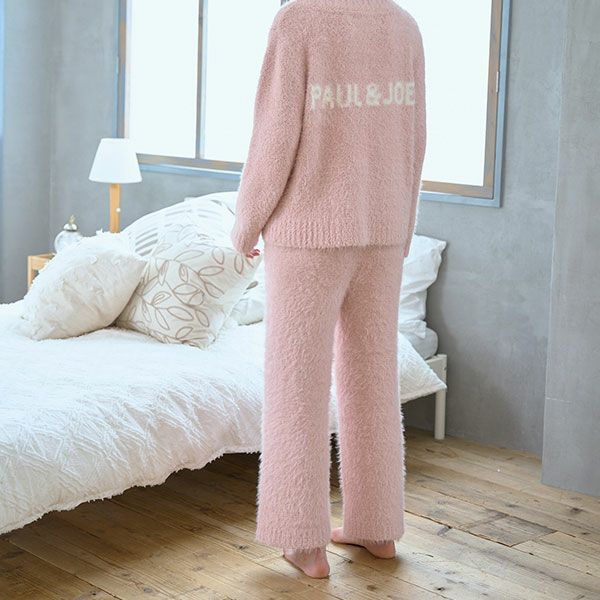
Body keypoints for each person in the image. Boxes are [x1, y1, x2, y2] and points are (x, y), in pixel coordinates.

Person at [230, 0, 426, 579]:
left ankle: (302, 541)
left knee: (296, 383)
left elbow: (274, 135)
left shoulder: (299, 21)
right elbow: (415, 139)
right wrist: (404, 224)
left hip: (309, 231)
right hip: (383, 228)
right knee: (373, 378)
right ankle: (378, 527)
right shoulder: (403, 26)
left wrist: (246, 222)